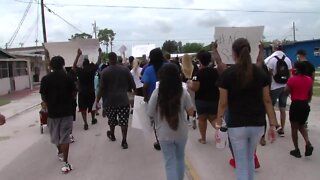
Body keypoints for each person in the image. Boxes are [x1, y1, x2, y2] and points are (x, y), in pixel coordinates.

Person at [215, 38, 277, 180]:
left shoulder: (227, 74)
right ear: (249, 51)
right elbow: (267, 100)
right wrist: (273, 124)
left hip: (236, 125)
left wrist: (218, 125)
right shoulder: (260, 73)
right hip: (257, 124)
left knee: (241, 163)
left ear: (233, 53)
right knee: (249, 159)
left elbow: (222, 103)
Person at [147, 63, 194, 180]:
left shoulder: (156, 93)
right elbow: (191, 112)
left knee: (169, 162)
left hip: (163, 133)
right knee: (180, 158)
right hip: (181, 132)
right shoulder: (183, 92)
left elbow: (150, 113)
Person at [40, 56, 76, 173]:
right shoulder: (68, 78)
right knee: (65, 137)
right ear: (63, 64)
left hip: (53, 113)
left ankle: (60, 151)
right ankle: (66, 162)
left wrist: (47, 103)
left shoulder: (45, 79)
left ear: (51, 66)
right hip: (67, 112)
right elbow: (74, 93)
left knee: (56, 137)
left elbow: (43, 96)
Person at [96, 52, 136, 149]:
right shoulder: (125, 70)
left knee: (112, 120)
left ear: (109, 59)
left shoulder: (104, 72)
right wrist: (132, 93)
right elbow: (133, 85)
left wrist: (97, 100)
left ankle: (112, 135)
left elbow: (102, 88)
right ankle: (124, 140)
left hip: (109, 101)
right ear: (116, 59)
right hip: (123, 100)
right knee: (124, 121)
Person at [187, 50, 220, 144]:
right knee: (213, 118)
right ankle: (222, 131)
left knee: (202, 119)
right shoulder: (215, 71)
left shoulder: (197, 74)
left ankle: (203, 138)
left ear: (199, 60)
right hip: (214, 99)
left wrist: (189, 83)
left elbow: (195, 88)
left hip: (201, 100)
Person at [284, 61, 314, 158]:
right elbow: (310, 93)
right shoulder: (309, 79)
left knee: (294, 128)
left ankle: (296, 150)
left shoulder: (292, 80)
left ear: (297, 69)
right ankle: (308, 143)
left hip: (296, 105)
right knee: (301, 124)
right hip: (305, 104)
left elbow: (285, 92)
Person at [265, 42, 292, 137]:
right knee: (282, 108)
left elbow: (269, 74)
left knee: (270, 107)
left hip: (274, 87)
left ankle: (274, 126)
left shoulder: (271, 60)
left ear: (274, 49)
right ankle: (282, 129)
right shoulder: (288, 60)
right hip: (285, 86)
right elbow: (290, 74)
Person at [73, 48, 102, 130]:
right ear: (89, 63)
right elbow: (98, 62)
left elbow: (74, 66)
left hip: (82, 92)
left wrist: (78, 55)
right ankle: (93, 119)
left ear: (83, 64)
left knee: (83, 108)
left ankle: (85, 123)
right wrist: (100, 53)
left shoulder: (80, 71)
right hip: (91, 91)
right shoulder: (91, 70)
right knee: (92, 107)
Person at [295, 49, 315, 129]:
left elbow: (295, 76)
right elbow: (313, 77)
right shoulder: (311, 65)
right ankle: (304, 121)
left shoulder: (298, 65)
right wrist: (311, 88)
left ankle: (298, 121)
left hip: (298, 87)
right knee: (305, 104)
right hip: (308, 87)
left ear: (299, 55)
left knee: (297, 104)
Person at [181, 54, 197, 129]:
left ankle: (187, 119)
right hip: (192, 85)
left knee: (186, 103)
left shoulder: (182, 68)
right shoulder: (194, 66)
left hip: (184, 86)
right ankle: (194, 118)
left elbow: (181, 78)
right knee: (193, 102)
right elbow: (196, 76)